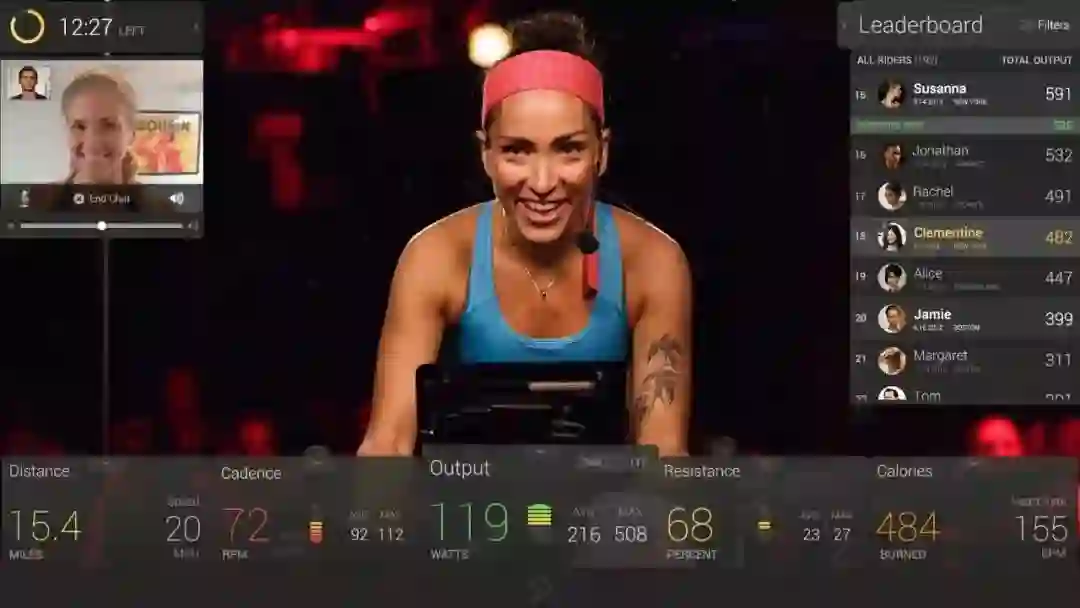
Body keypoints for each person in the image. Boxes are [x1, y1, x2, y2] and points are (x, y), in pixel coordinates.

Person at [358, 12, 691, 457]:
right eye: (517, 151)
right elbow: (388, 444)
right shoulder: (436, 256)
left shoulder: (652, 261)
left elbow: (663, 452)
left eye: (569, 149)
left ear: (602, 152)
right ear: (486, 155)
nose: (542, 182)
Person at [24, 70, 171, 211]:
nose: (92, 142)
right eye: (79, 126)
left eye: (109, 125)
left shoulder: (160, 209)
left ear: (131, 134)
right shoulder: (36, 203)